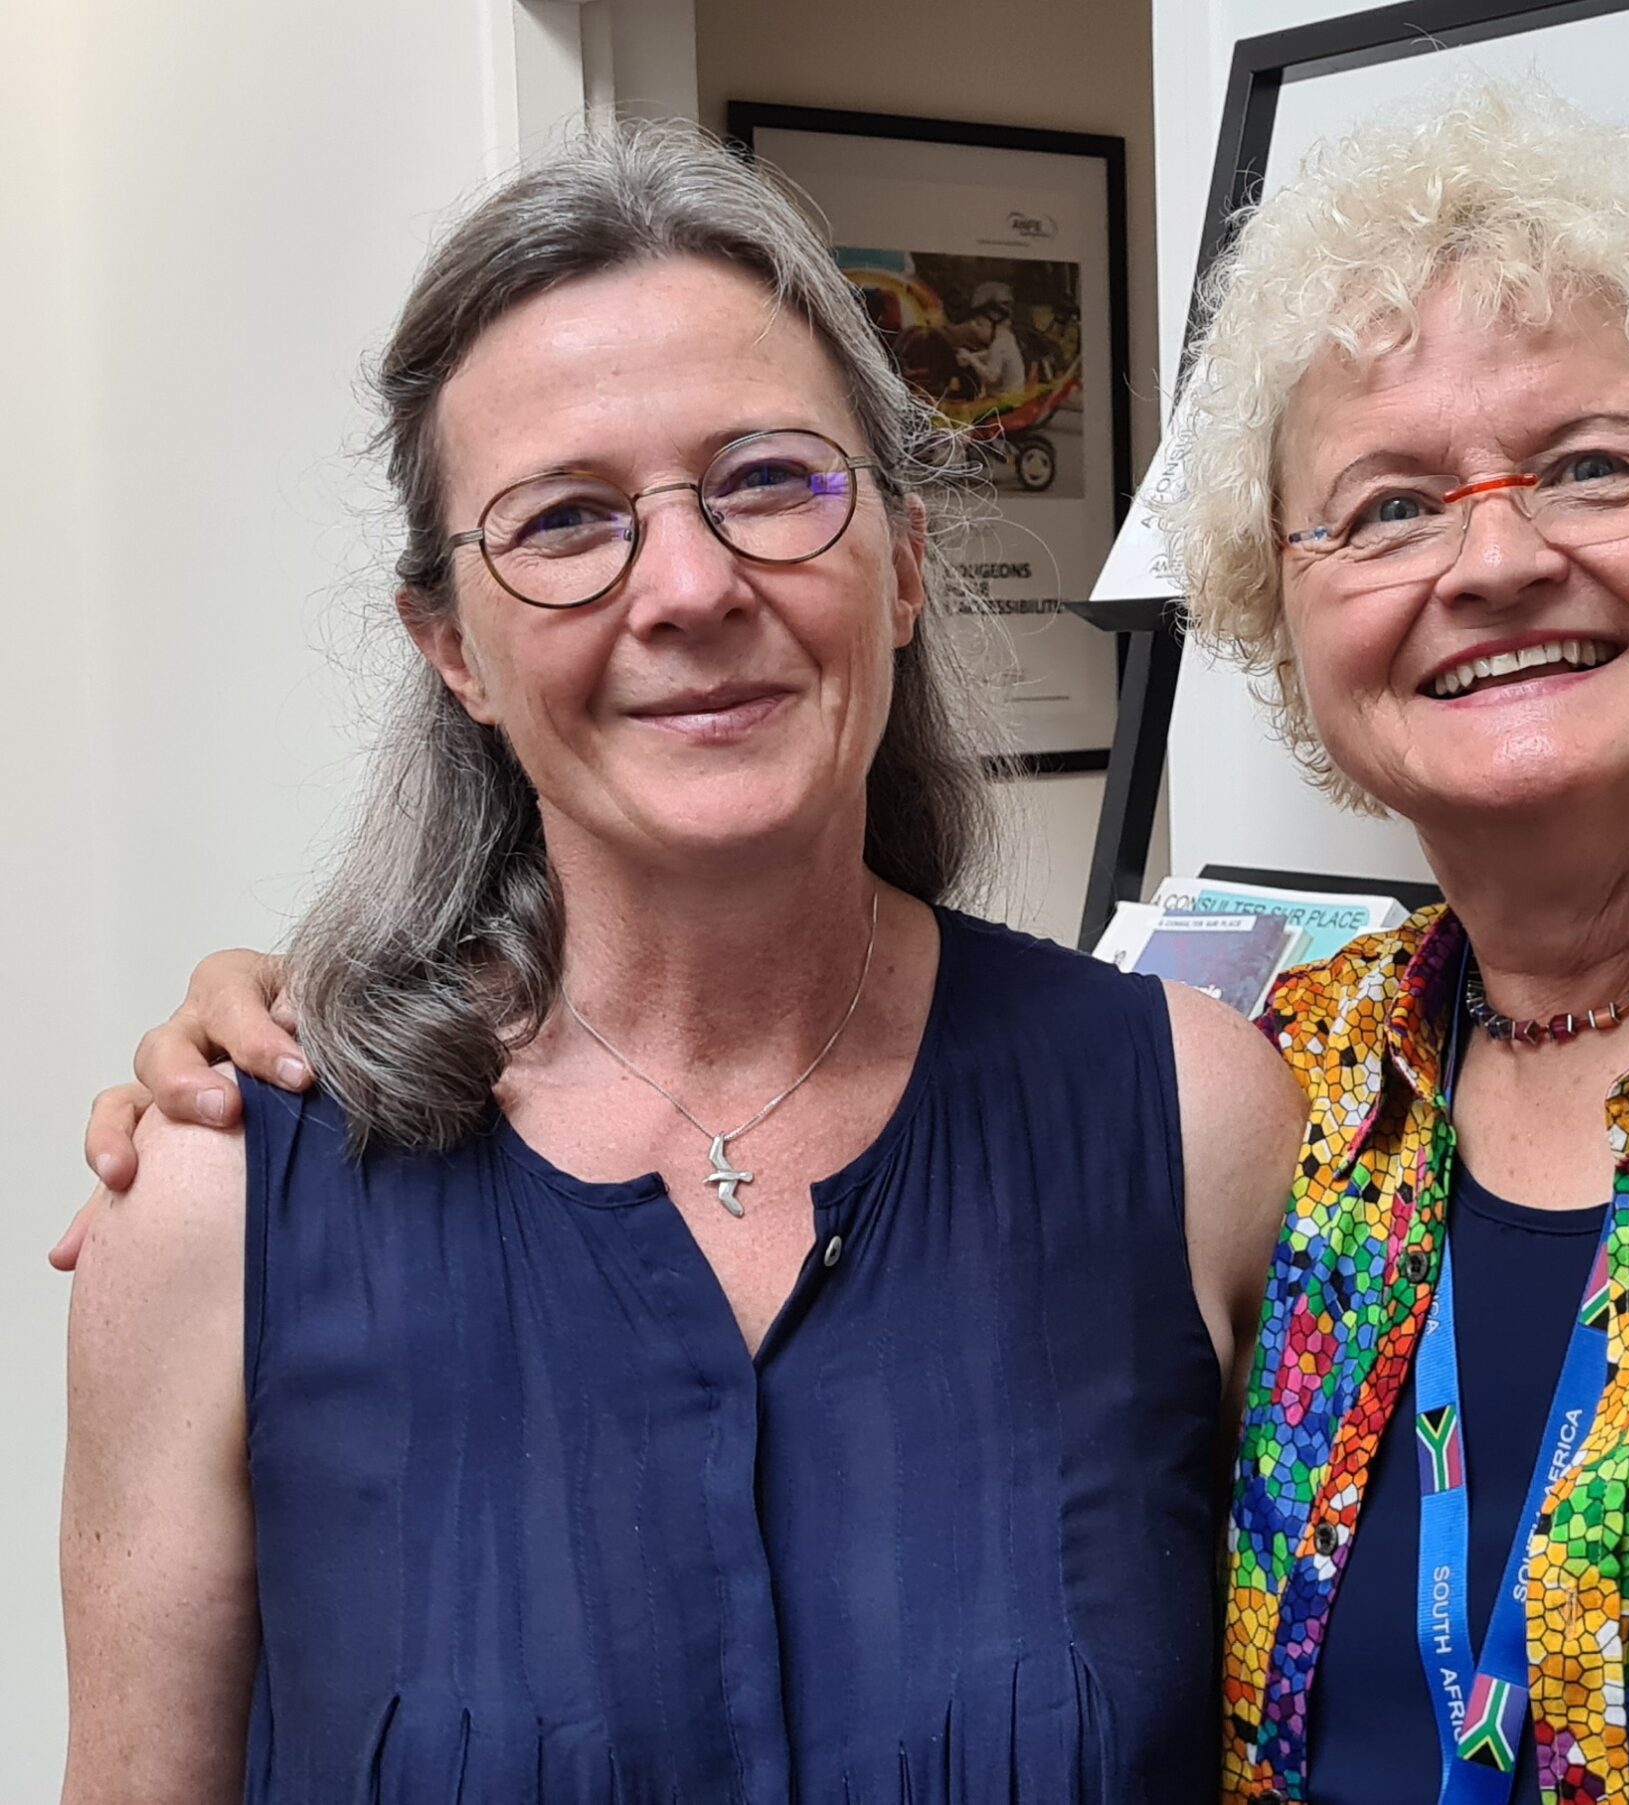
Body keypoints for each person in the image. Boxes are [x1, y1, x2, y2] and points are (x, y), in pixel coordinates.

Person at [77, 84, 1629, 1805]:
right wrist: (267, 1030)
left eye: (1588, 463)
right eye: (1382, 508)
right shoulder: (1311, 1084)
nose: (1493, 559)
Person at [55, 123, 1300, 1803]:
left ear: (904, 563)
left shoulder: (1197, 1127)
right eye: (567, 519)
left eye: (771, 481)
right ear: (454, 649)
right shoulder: (218, 1205)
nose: (693, 587)